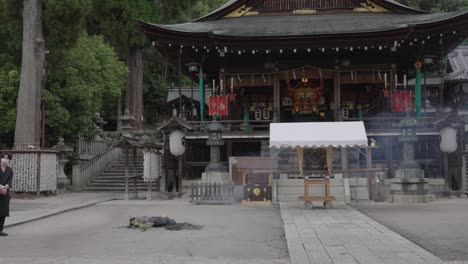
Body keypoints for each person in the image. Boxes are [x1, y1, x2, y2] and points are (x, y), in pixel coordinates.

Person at [0, 152, 13, 236]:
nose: (5, 159)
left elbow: (10, 180)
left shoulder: (9, 170)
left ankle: (0, 229)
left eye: (7, 158)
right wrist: (0, 186)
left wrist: (6, 187)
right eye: (4, 157)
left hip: (5, 192)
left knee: (3, 211)